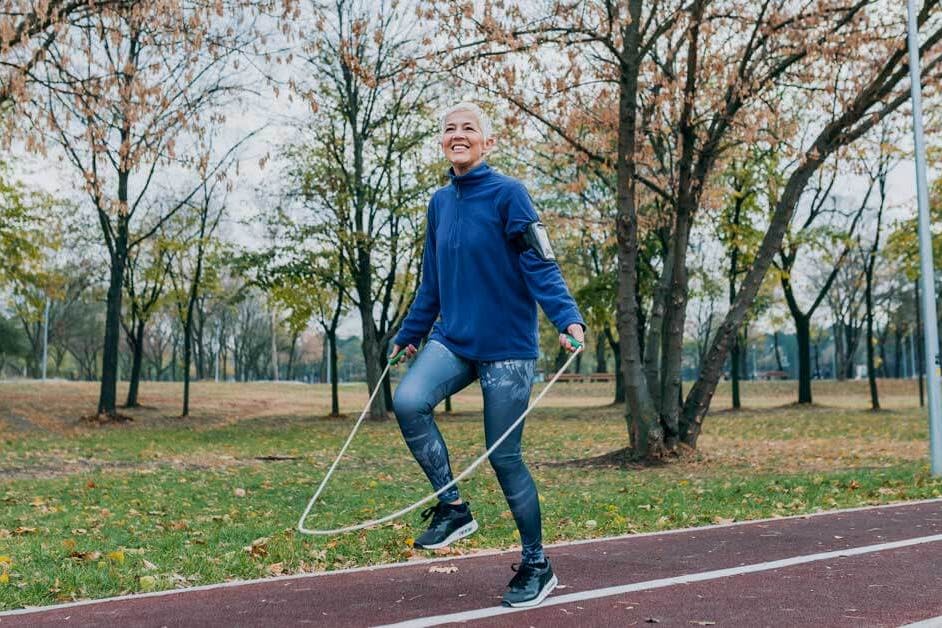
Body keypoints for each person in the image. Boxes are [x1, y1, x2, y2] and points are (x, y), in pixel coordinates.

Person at [389, 101, 586, 608]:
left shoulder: (509, 195)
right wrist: (411, 333)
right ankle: (453, 507)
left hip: (506, 349)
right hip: (453, 339)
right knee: (408, 400)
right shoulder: (439, 203)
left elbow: (540, 263)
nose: (458, 135)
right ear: (442, 141)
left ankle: (537, 564)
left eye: (468, 128)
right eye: (450, 128)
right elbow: (432, 280)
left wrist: (567, 318)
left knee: (504, 457)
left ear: (487, 142)